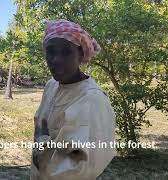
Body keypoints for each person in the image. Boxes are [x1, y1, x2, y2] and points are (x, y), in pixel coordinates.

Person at [31, 19, 116, 180]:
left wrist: (41, 139)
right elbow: (40, 124)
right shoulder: (51, 86)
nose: (56, 59)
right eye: (51, 51)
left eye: (66, 51)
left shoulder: (92, 99)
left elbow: (82, 168)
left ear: (81, 55)